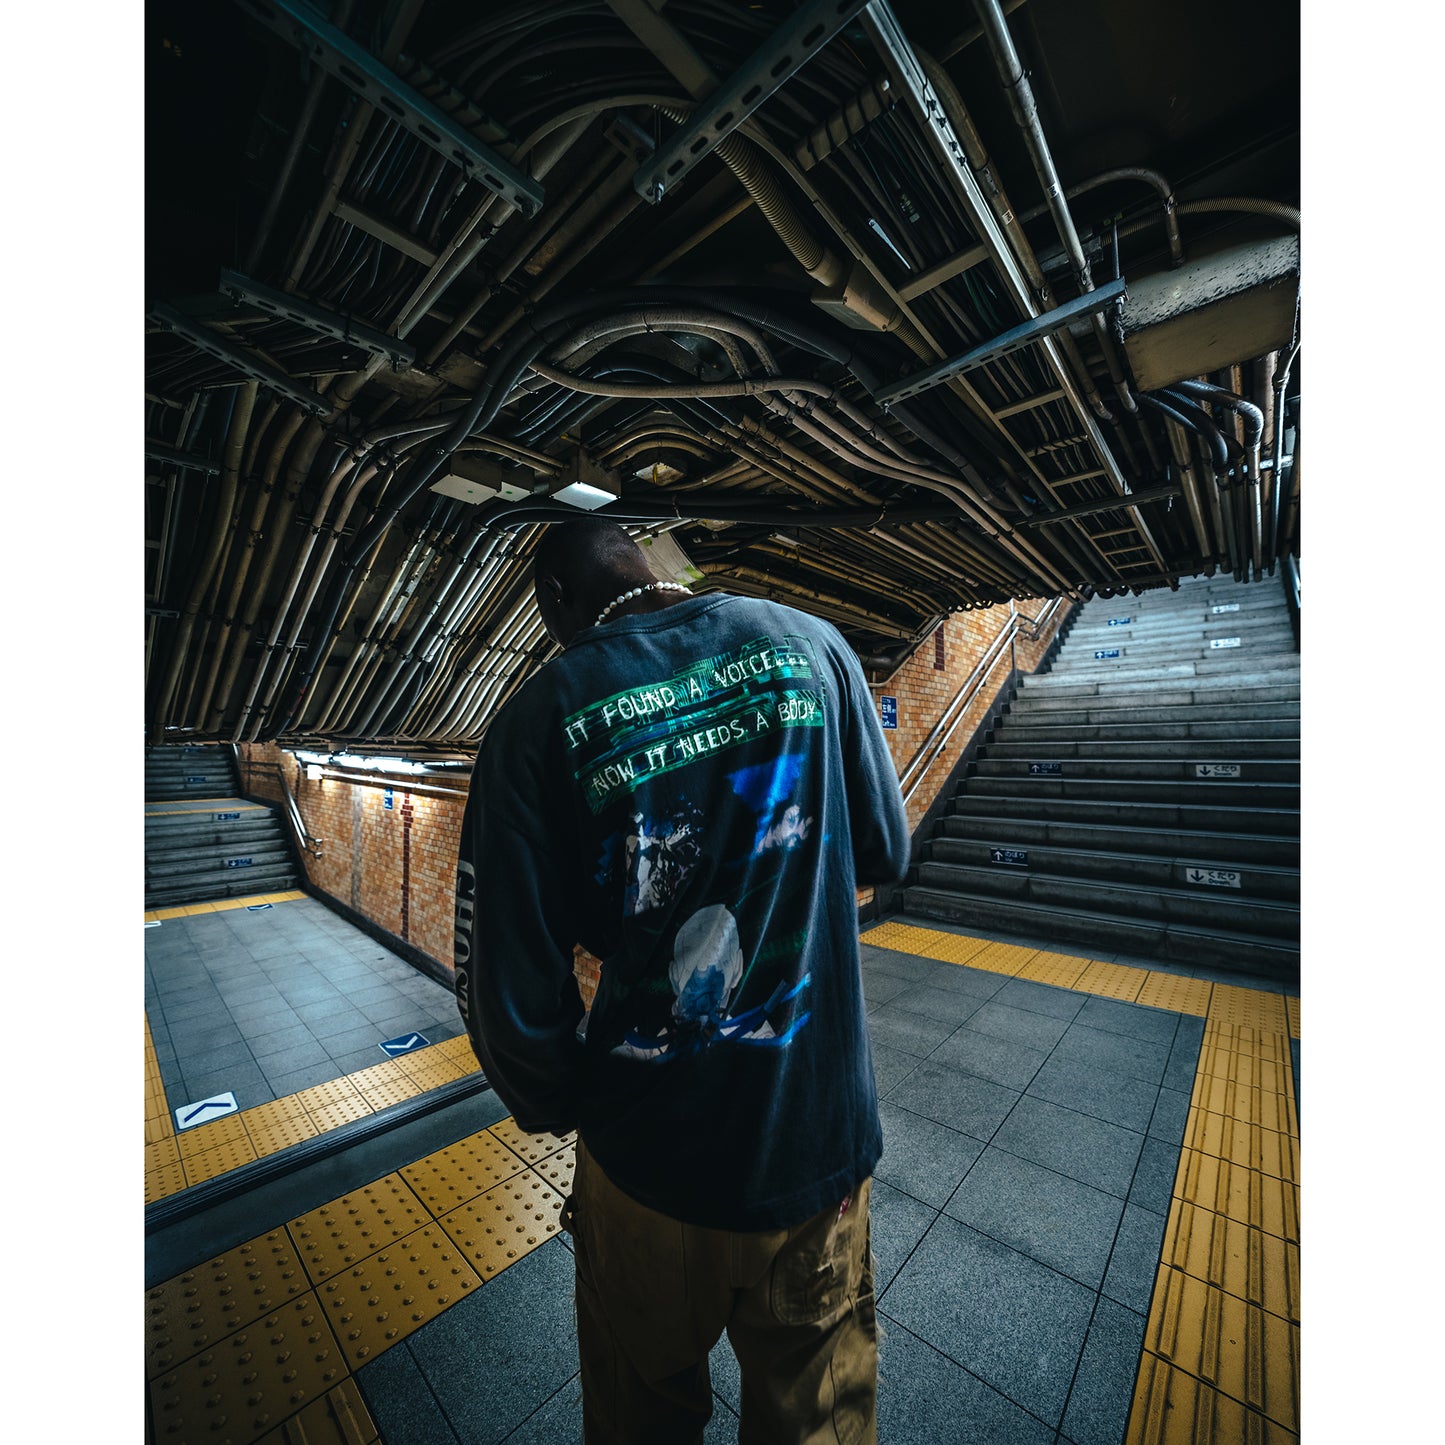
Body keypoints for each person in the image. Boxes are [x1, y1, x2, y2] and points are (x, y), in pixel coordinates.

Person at [453, 517, 910, 1444]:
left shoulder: (538, 719)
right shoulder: (812, 645)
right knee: (818, 1418)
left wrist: (566, 1102)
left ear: (555, 601)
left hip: (646, 1170)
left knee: (641, 1416)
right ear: (649, 563)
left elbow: (507, 992)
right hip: (814, 1152)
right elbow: (882, 850)